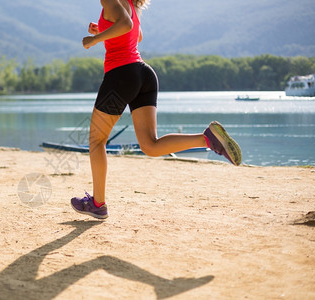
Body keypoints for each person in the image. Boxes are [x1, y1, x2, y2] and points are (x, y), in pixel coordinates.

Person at [70, 0, 242, 219]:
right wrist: (104, 29)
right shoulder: (131, 3)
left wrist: (95, 39)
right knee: (150, 145)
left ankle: (98, 204)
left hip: (122, 75)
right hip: (144, 75)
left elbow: (125, 26)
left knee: (96, 141)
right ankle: (207, 139)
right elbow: (136, 35)